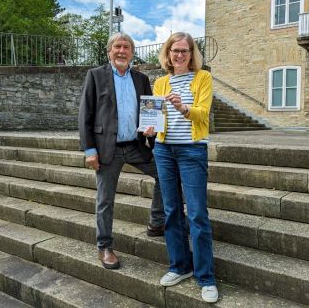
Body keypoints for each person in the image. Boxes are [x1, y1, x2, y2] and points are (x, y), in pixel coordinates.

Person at [78, 32, 165, 270]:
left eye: (127, 47)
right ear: (109, 51)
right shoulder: (96, 76)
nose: (122, 51)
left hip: (136, 146)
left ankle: (157, 223)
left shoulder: (141, 78)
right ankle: (104, 247)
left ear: (132, 52)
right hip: (107, 149)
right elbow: (85, 114)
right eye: (118, 46)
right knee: (105, 200)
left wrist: (152, 134)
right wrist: (89, 150)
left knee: (165, 174)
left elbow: (149, 113)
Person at [151, 32, 219, 303]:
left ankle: (206, 277)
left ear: (192, 54)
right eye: (174, 50)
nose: (179, 55)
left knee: (198, 214)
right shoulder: (161, 82)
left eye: (184, 50)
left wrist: (184, 107)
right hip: (164, 149)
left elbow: (203, 113)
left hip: (192, 150)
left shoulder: (203, 78)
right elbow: (156, 116)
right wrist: (150, 128)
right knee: (171, 211)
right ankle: (179, 265)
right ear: (167, 54)